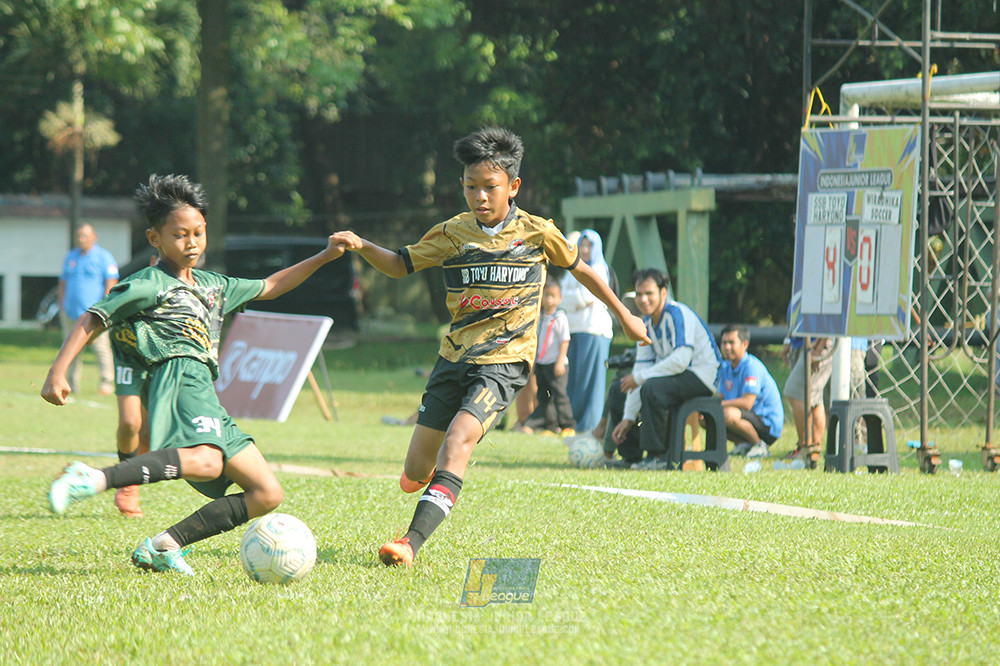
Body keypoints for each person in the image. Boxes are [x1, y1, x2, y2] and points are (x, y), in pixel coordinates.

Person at [332, 127, 648, 567]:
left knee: (459, 440)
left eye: (489, 187)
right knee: (417, 469)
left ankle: (409, 543)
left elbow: (584, 271)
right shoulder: (451, 233)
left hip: (505, 362)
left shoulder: (538, 233)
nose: (479, 196)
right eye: (470, 187)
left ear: (513, 186)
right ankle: (423, 478)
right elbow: (400, 265)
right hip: (453, 358)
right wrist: (362, 245)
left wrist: (625, 315)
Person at [41, 173, 348, 575]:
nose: (191, 243)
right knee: (205, 461)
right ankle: (95, 478)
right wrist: (58, 371)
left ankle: (165, 545)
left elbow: (271, 285)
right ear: (156, 239)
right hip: (177, 377)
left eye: (199, 233)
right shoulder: (149, 282)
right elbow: (94, 317)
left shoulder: (214, 285)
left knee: (267, 492)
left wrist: (324, 255)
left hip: (205, 388)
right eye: (180, 234)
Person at [609, 269, 722, 470]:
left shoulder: (678, 314)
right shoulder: (645, 323)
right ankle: (632, 456)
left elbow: (681, 360)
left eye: (649, 293)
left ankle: (657, 457)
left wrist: (640, 377)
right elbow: (641, 368)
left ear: (663, 292)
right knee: (619, 389)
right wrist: (628, 417)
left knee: (652, 388)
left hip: (702, 375)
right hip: (675, 375)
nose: (643, 299)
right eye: (639, 294)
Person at [560, 229, 614, 433]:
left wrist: (573, 299)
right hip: (573, 330)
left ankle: (589, 424)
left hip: (594, 331)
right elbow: (561, 299)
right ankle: (573, 423)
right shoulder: (571, 270)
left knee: (590, 381)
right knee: (574, 380)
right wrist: (575, 299)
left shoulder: (599, 269)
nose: (584, 249)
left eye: (588, 246)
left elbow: (587, 297)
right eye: (581, 245)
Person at [59, 223, 119, 395]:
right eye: (78, 236)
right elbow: (62, 282)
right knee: (70, 349)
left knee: (101, 348)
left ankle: (106, 382)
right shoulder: (71, 256)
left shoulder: (104, 257)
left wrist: (104, 308)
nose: (81, 239)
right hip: (70, 312)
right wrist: (62, 304)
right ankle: (70, 383)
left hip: (93, 314)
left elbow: (111, 282)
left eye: (85, 235)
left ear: (94, 237)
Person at [717, 324, 784, 458]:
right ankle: (743, 444)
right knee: (707, 416)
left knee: (728, 414)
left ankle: (759, 445)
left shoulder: (751, 366)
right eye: (724, 343)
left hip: (767, 424)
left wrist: (718, 406)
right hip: (745, 416)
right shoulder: (725, 368)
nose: (727, 347)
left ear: (745, 344)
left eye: (731, 343)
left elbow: (747, 403)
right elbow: (721, 398)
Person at [522, 279, 575, 436]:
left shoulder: (560, 317)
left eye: (553, 296)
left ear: (560, 298)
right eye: (546, 296)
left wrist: (560, 361)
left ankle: (567, 425)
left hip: (556, 363)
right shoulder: (540, 317)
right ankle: (551, 426)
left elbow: (565, 340)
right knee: (544, 396)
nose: (549, 300)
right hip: (542, 362)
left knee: (560, 395)